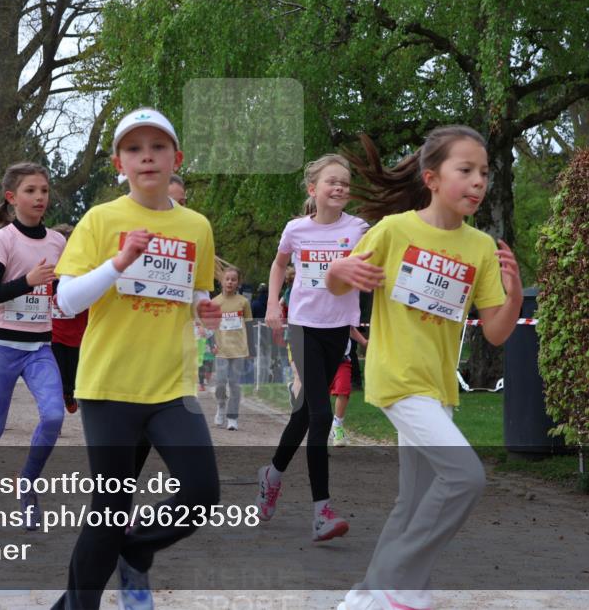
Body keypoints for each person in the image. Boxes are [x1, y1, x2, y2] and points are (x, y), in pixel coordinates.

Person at [328, 127, 522, 610]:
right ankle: (400, 586)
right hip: (399, 380)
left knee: (412, 503)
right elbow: (334, 285)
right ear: (432, 178)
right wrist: (340, 272)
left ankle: (366, 597)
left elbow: (496, 332)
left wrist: (515, 292)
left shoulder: (479, 247)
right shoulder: (395, 230)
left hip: (439, 390)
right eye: (466, 171)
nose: (478, 182)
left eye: (483, 172)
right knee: (465, 478)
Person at [51, 108, 222, 610]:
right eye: (133, 148)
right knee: (109, 510)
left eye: (157, 146)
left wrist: (204, 309)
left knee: (201, 495)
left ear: (177, 159)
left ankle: (131, 548)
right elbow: (67, 300)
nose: (146, 155)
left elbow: (195, 295)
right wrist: (119, 261)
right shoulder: (101, 219)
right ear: (118, 163)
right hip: (110, 388)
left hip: (172, 388)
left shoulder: (196, 225)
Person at [256, 154, 369, 542]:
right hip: (303, 326)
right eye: (331, 182)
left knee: (304, 413)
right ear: (313, 190)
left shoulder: (358, 230)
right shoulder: (296, 229)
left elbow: (375, 266)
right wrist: (274, 304)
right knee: (321, 414)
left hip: (337, 329)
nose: (339, 188)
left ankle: (272, 475)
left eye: (345, 183)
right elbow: (278, 264)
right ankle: (322, 511)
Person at [0, 162, 66, 537]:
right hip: (2, 346)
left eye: (45, 190)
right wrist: (28, 281)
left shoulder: (57, 241)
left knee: (53, 417)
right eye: (31, 190)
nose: (40, 197)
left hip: (40, 347)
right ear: (12, 197)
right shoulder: (3, 239)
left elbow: (62, 291)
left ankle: (28, 485)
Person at [49, 223, 85, 421]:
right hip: (52, 332)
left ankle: (68, 394)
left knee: (71, 376)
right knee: (56, 375)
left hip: (77, 333)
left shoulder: (81, 269)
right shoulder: (46, 268)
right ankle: (54, 416)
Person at [211, 266, 252, 430]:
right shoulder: (214, 303)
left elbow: (249, 326)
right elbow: (209, 326)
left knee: (235, 384)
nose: (230, 282)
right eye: (227, 279)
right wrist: (210, 344)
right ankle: (221, 406)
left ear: (238, 282)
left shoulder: (243, 302)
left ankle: (233, 417)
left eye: (233, 279)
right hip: (221, 349)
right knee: (220, 383)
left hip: (239, 349)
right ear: (221, 281)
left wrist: (252, 349)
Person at [328, 327, 367, 447]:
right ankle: (320, 437)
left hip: (342, 360)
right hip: (320, 360)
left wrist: (365, 342)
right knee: (320, 398)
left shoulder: (343, 310)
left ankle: (337, 425)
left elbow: (349, 327)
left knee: (344, 390)